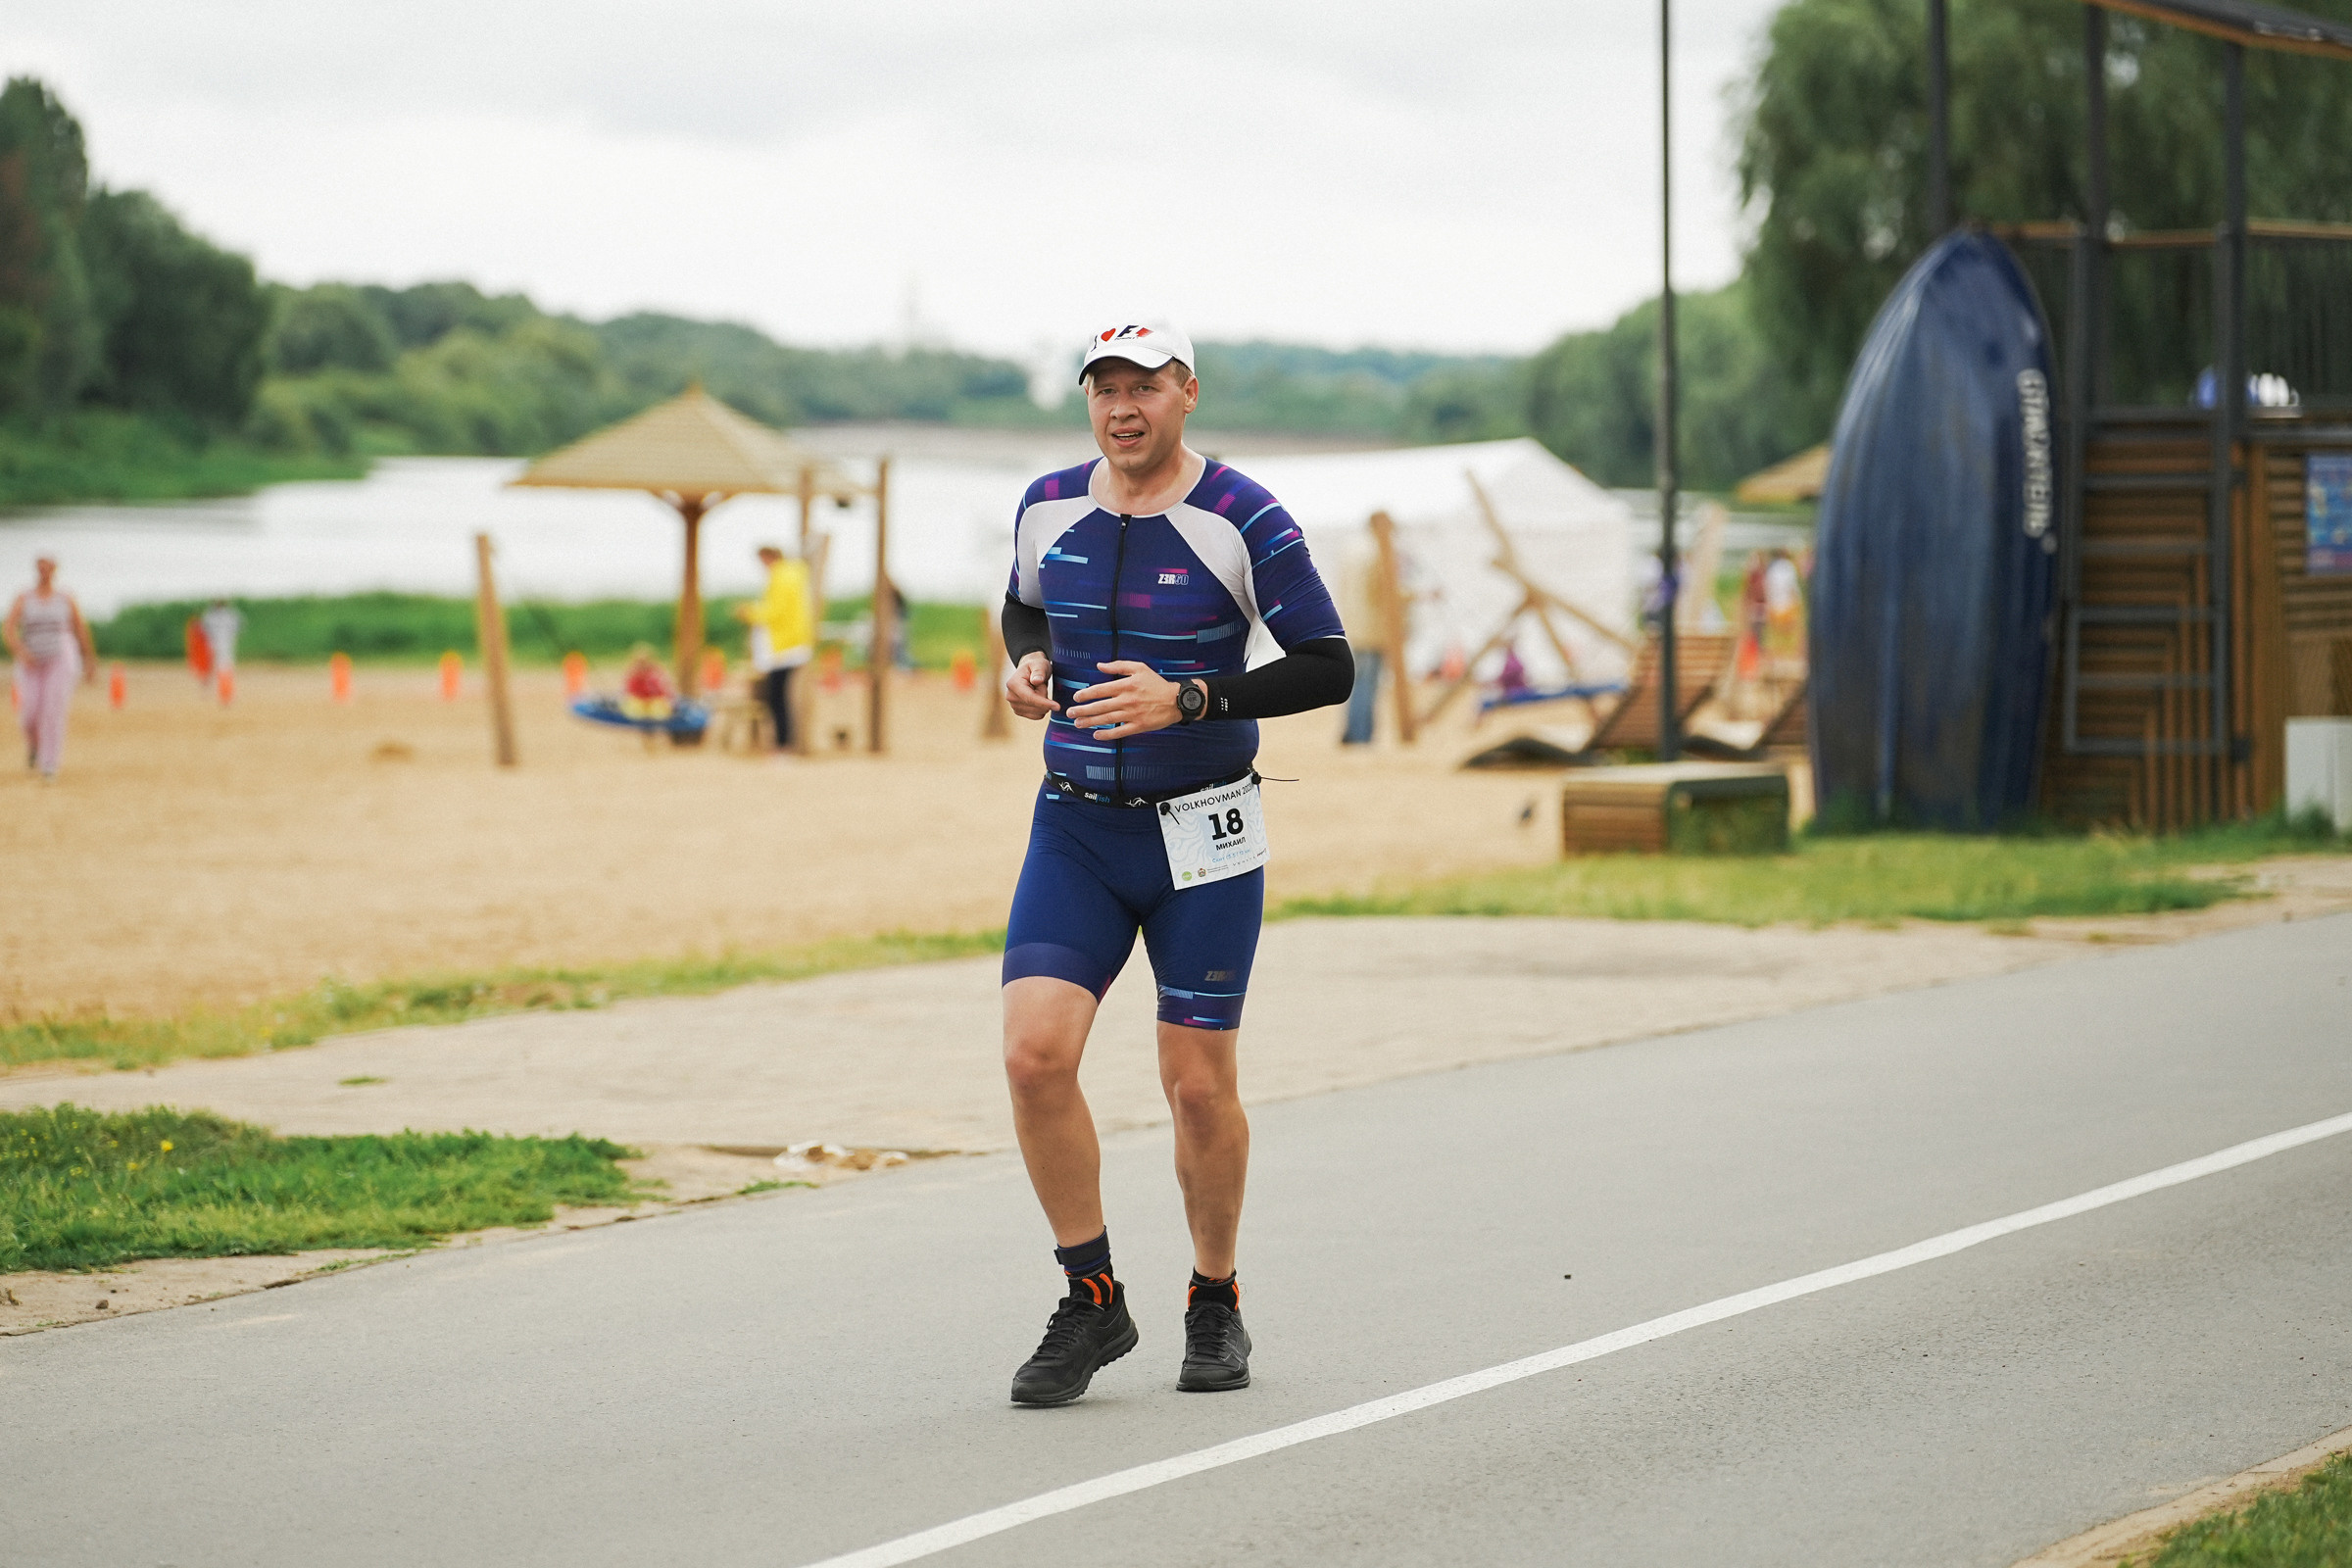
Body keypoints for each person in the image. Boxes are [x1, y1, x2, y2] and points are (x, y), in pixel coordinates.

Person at [997, 321, 1352, 1406]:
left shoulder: (1244, 515)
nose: (1122, 407)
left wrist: (1191, 697)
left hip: (1204, 831)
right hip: (1077, 825)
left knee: (1197, 1086)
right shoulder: (1046, 502)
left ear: (1187, 392)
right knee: (1034, 1058)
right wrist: (1027, 660)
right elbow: (1024, 602)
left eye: (1144, 385)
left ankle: (1214, 1296)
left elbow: (1328, 665)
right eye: (1104, 387)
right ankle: (1093, 1297)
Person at [5, 557, 98, 781]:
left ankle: (49, 764)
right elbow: (9, 627)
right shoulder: (24, 597)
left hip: (60, 658)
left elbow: (79, 628)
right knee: (29, 713)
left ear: (55, 569)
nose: (44, 570)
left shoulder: (65, 598)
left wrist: (89, 660)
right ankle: (34, 745)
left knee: (53, 710)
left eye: (48, 566)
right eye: (41, 566)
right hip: (31, 661)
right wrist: (20, 651)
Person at [736, 545, 813, 750]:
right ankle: (783, 744)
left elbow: (775, 611)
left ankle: (782, 745)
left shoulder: (782, 577)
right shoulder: (793, 575)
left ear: (769, 557)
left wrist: (749, 613)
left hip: (783, 647)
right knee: (779, 697)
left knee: (777, 698)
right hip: (792, 644)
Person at [200, 599, 242, 705]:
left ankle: (225, 693)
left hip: (219, 645)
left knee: (223, 669)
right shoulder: (229, 615)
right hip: (221, 645)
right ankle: (224, 693)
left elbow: (203, 629)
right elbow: (239, 625)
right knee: (223, 668)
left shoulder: (211, 616)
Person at [619, 643, 675, 720]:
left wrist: (665, 697)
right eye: (639, 663)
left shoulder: (655, 674)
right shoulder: (633, 675)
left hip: (653, 700)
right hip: (639, 700)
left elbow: (664, 689)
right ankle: (639, 717)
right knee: (633, 706)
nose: (642, 666)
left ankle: (656, 718)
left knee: (659, 707)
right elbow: (628, 691)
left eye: (644, 663)